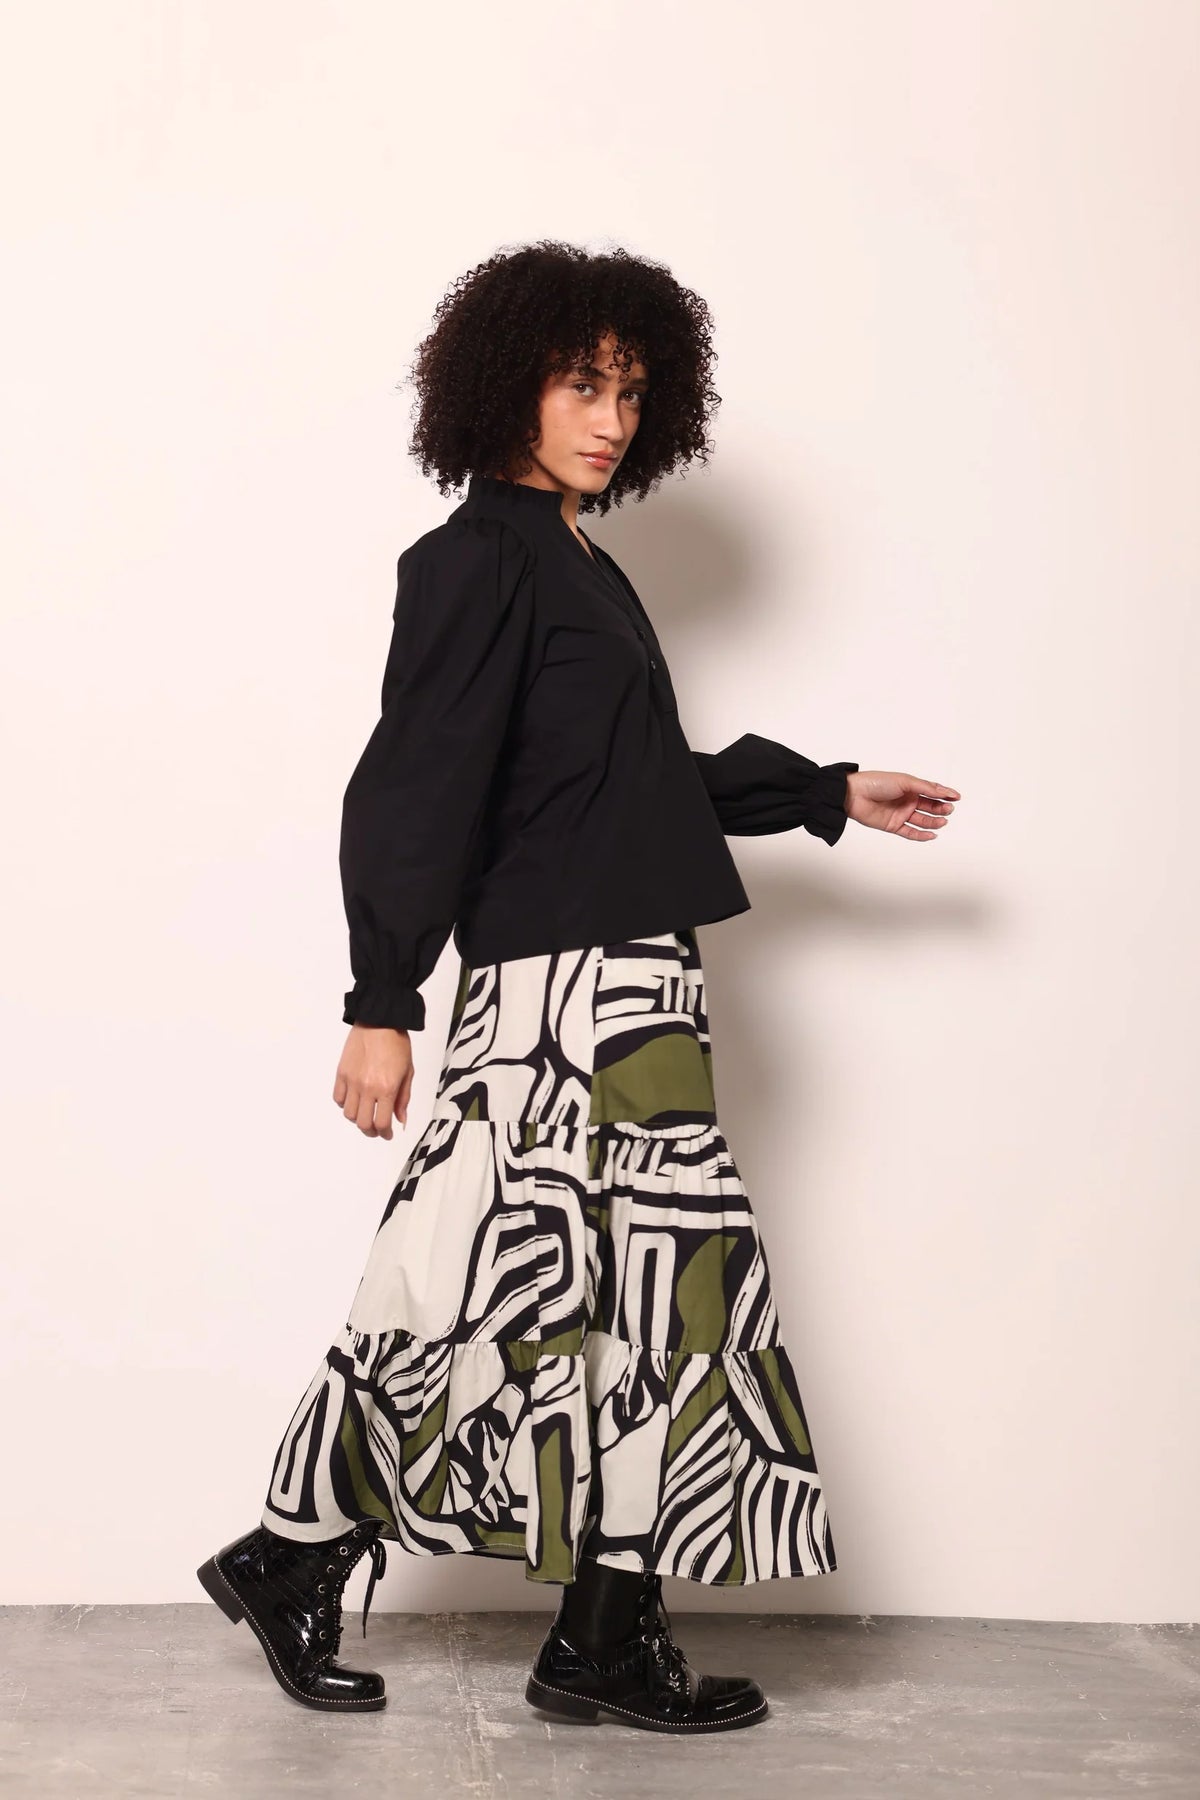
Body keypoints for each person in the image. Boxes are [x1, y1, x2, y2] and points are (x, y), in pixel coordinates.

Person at [196, 240, 960, 1733]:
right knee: (479, 1285)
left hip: (635, 985)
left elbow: (629, 783)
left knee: (650, 1303)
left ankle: (594, 1631)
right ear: (506, 385)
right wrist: (380, 998)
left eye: (631, 391)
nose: (610, 419)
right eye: (579, 384)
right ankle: (302, 1552)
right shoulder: (477, 560)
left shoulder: (580, 564)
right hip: (558, 999)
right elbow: (412, 785)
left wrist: (825, 788)